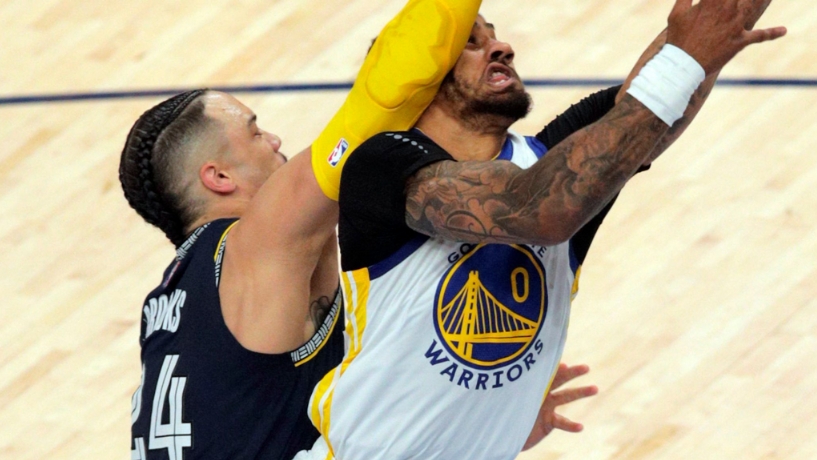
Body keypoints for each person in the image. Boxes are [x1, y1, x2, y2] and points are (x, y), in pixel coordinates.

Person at [302, 0, 786, 459]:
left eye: (495, 36)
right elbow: (538, 209)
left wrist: (698, 52)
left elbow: (661, 99)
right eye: (470, 41)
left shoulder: (557, 158)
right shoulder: (383, 164)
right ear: (414, 72)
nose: (502, 47)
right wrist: (685, 61)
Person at [120, 1, 482, 459]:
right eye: (255, 133)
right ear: (220, 177)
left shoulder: (174, 299)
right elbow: (379, 107)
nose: (274, 140)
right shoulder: (258, 245)